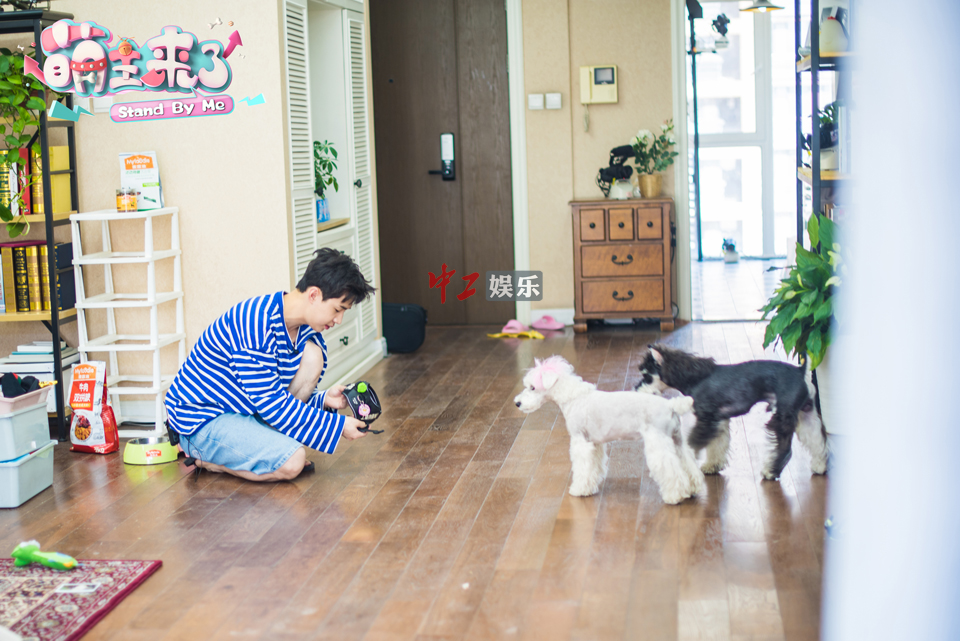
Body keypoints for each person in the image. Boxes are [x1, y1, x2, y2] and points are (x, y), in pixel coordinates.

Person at [164, 248, 376, 482]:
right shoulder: (255, 323)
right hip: (202, 419)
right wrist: (338, 426)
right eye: (337, 310)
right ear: (314, 295)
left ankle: (260, 450)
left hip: (245, 411)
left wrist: (324, 399)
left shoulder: (305, 333)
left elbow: (275, 393)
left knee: (313, 356)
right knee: (292, 462)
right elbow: (272, 403)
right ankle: (209, 460)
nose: (339, 320)